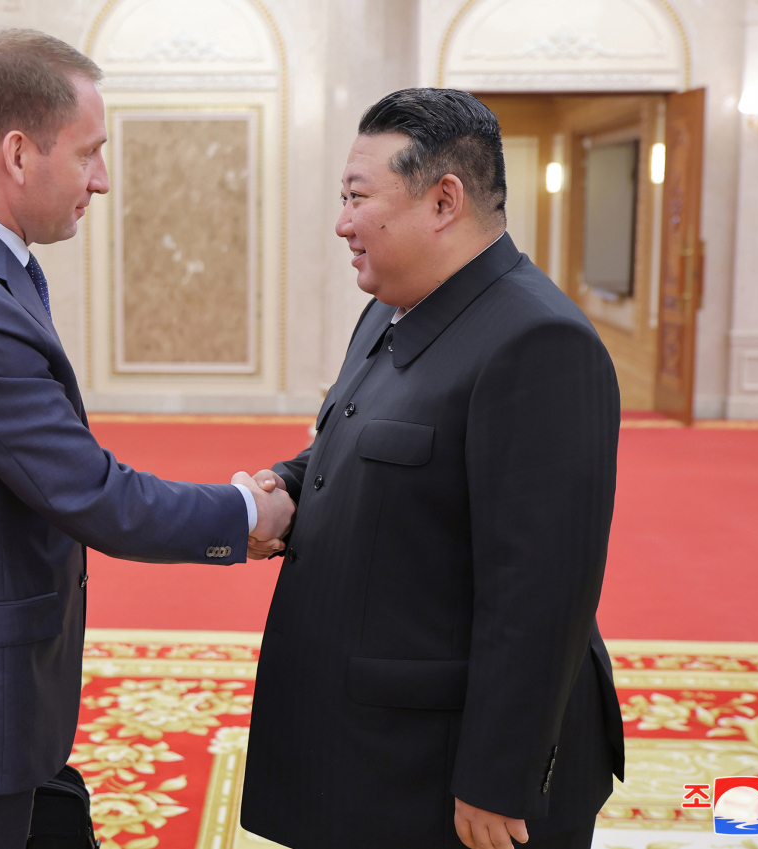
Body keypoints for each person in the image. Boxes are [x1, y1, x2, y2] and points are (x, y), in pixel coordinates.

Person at [0, 30, 294, 849]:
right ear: (18, 153)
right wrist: (244, 512)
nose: (104, 179)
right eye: (90, 152)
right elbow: (93, 493)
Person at [238, 88, 625, 849]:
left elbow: (541, 589)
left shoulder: (538, 343)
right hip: (372, 740)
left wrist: (497, 774)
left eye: (358, 197)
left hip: (451, 768)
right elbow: (359, 439)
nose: (343, 222)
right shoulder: (392, 306)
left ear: (443, 200)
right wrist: (286, 483)